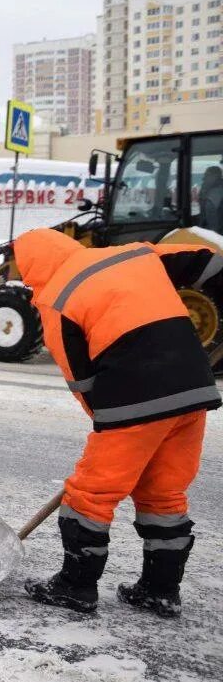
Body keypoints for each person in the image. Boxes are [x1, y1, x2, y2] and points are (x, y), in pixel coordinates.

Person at [12, 228, 222, 616]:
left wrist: (107, 421)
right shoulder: (133, 254)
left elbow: (81, 378)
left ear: (31, 271)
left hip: (134, 395)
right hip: (195, 387)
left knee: (90, 494)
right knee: (164, 492)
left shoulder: (55, 297)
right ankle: (160, 591)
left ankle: (75, 587)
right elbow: (207, 258)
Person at [200, 165, 223, 233]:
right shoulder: (211, 191)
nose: (203, 178)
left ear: (214, 176)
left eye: (206, 175)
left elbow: (213, 226)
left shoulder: (215, 194)